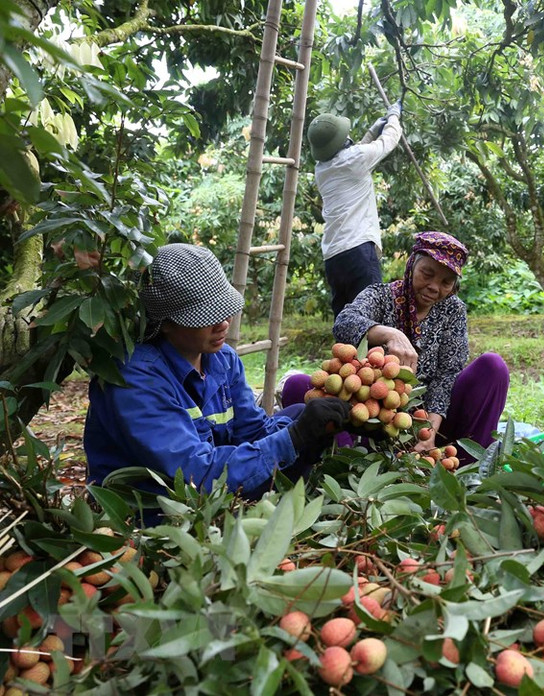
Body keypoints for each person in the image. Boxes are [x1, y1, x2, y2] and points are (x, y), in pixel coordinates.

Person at [84, 243, 350, 507]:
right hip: (159, 509)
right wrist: (296, 437)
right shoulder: (133, 379)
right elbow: (194, 476)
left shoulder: (222, 359)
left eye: (223, 310)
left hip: (211, 493)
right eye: (205, 316)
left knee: (300, 414)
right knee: (294, 431)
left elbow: (254, 431)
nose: (223, 323)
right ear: (164, 323)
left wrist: (323, 424)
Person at [283, 231, 510, 458]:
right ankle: (346, 462)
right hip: (369, 419)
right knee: (297, 386)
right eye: (427, 274)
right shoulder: (380, 296)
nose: (434, 287)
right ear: (411, 266)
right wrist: (390, 334)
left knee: (493, 366)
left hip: (431, 420)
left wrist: (430, 428)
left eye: (446, 282)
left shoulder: (453, 310)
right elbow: (344, 322)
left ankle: (465, 468)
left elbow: (447, 374)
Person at [307, 102, 403, 317]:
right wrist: (394, 116)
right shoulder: (356, 159)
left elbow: (352, 153)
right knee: (372, 319)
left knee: (347, 322)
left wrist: (371, 131)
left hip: (334, 256)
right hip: (358, 250)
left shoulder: (321, 169)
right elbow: (389, 140)